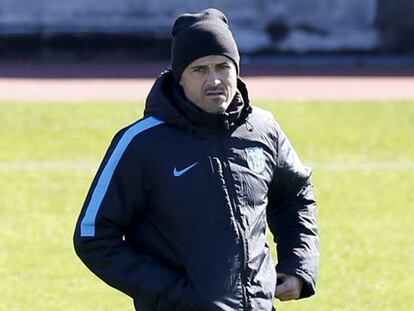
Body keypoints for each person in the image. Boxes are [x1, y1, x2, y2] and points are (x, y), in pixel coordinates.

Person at [73, 8, 319, 311]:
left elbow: (294, 195)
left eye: (222, 67)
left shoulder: (264, 129)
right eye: (199, 69)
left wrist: (299, 265)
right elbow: (93, 234)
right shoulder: (141, 142)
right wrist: (174, 295)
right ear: (179, 79)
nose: (214, 80)